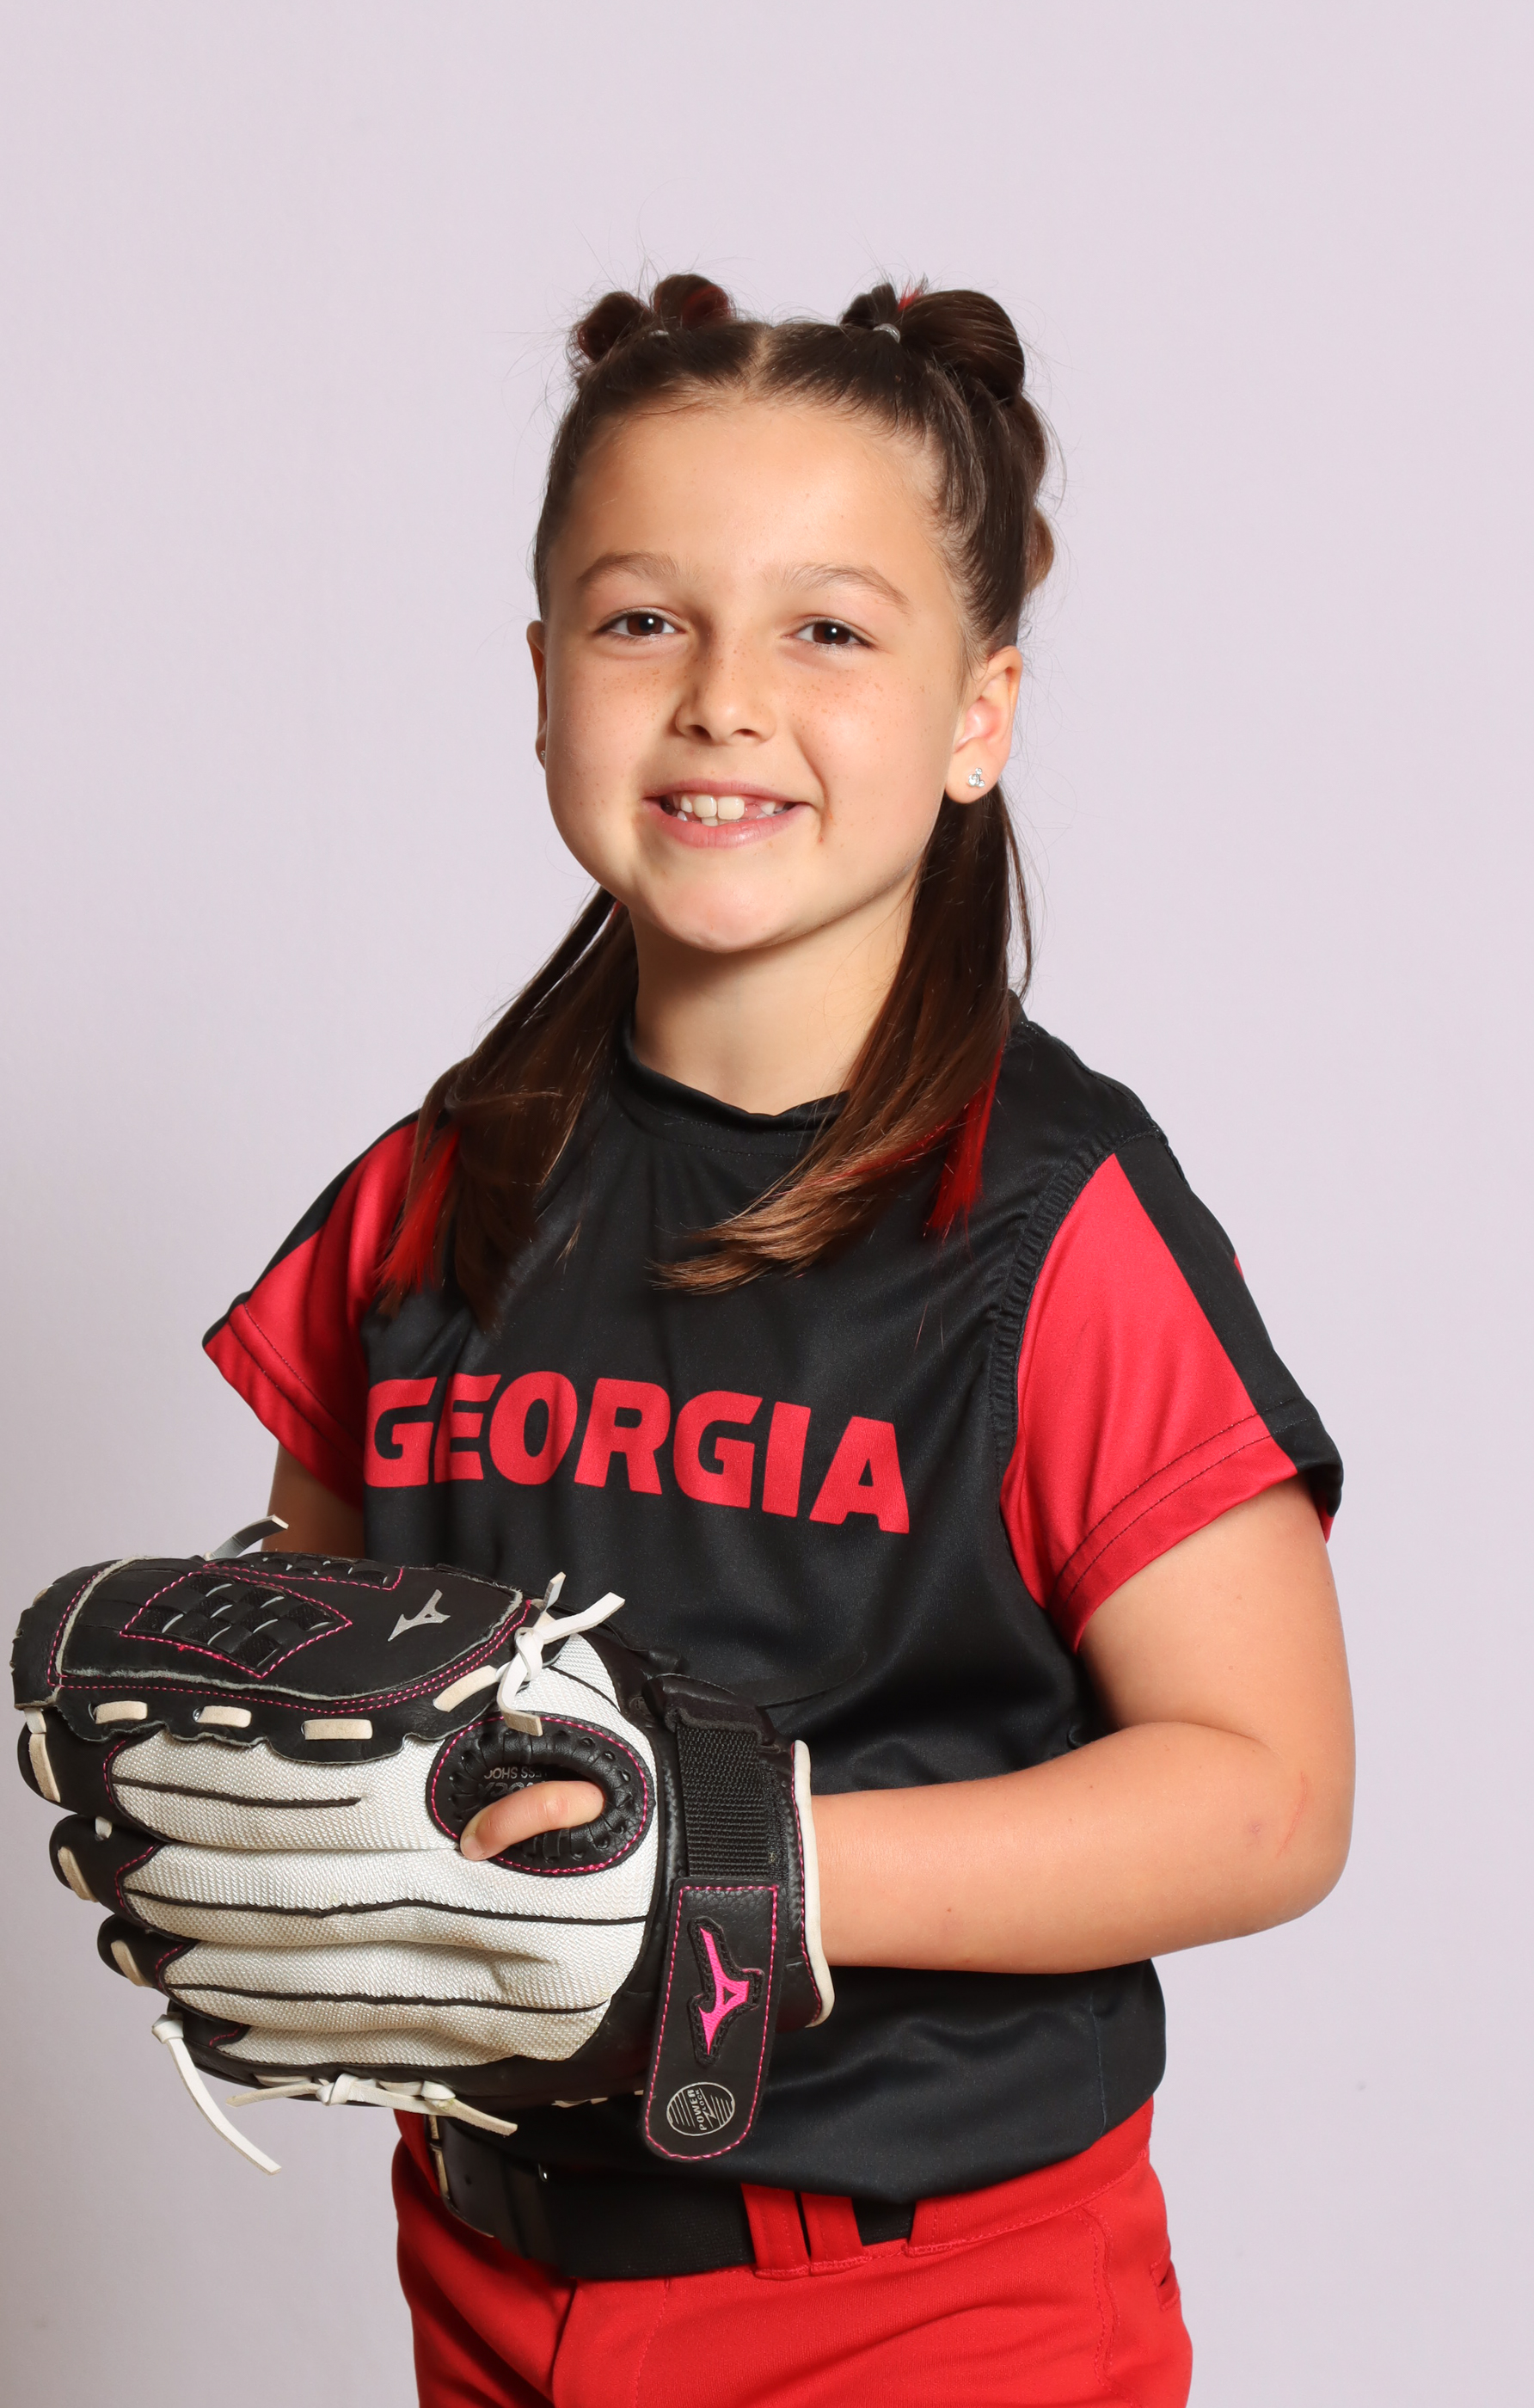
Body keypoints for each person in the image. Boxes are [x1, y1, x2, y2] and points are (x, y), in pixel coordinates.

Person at [203, 273, 1353, 2406]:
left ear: (978, 714)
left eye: (827, 628)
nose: (724, 697)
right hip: (492, 2262)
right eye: (644, 618)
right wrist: (274, 1764)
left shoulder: (1050, 1220)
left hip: (927, 2299)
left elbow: (1267, 1792)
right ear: (543, 680)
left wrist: (746, 1856)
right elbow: (331, 1642)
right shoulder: (428, 1196)